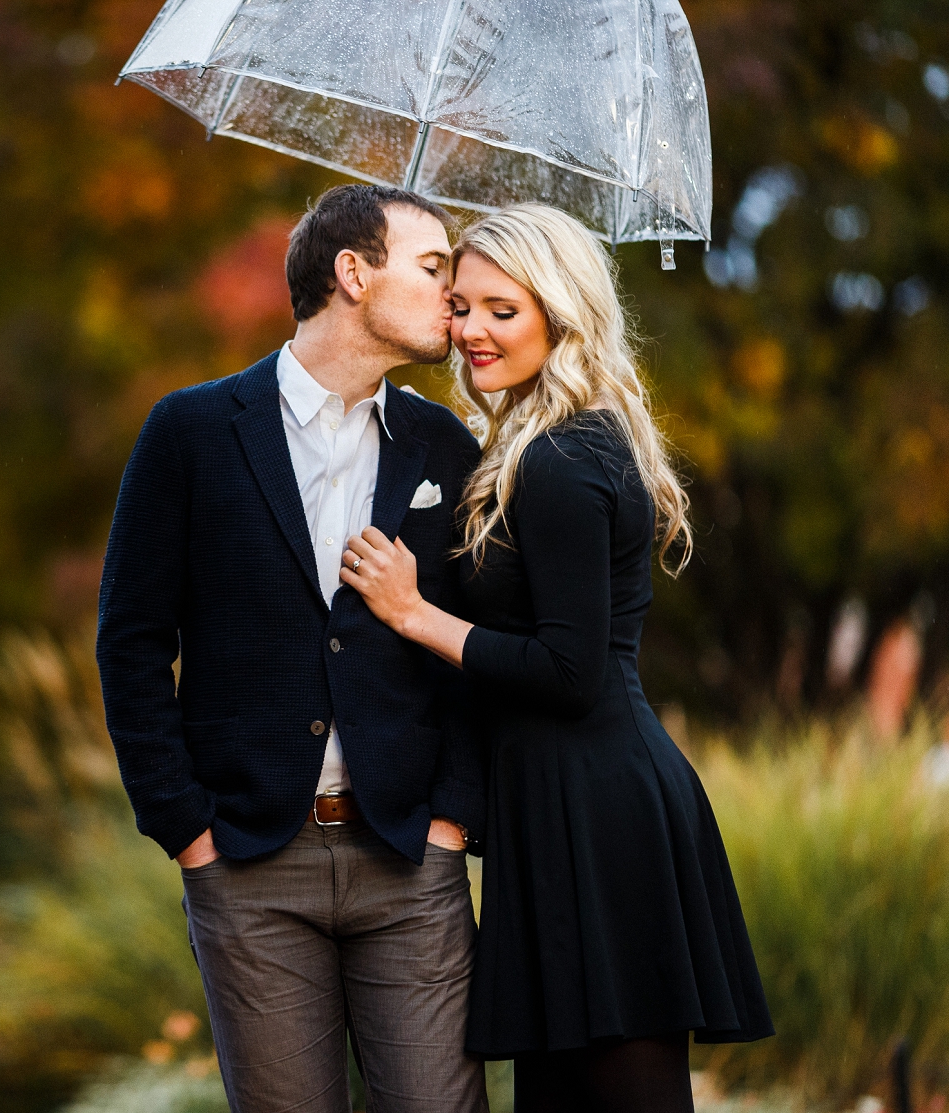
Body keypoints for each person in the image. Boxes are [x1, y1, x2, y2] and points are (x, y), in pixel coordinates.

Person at [342, 203, 773, 1112]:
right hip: (557, 806)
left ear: (560, 311)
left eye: (505, 309)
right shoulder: (537, 443)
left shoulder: (561, 460)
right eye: (460, 306)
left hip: (600, 810)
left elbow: (569, 672)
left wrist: (415, 615)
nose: (472, 332)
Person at [96, 183, 489, 1113]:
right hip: (248, 863)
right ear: (353, 272)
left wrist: (452, 824)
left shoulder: (442, 444)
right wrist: (186, 832)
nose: (453, 298)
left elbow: (481, 642)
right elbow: (132, 642)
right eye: (433, 269)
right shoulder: (189, 433)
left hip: (409, 858)